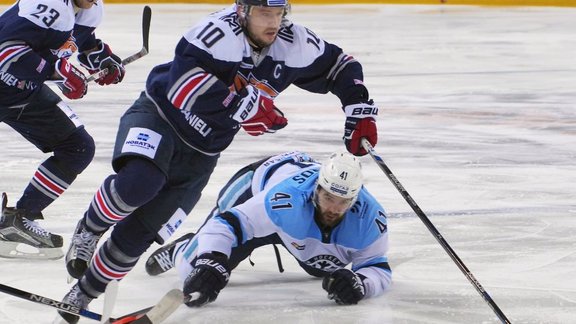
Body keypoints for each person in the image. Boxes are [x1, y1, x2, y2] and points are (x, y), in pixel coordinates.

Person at [58, 0, 378, 322]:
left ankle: (82, 293)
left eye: (279, 14)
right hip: (159, 117)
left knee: (139, 234)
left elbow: (340, 65)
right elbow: (183, 89)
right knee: (140, 183)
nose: (274, 22)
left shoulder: (294, 42)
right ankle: (90, 228)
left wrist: (358, 108)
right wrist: (245, 107)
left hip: (204, 150)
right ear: (243, 11)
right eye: (265, 13)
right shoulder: (218, 32)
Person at [146, 151, 392, 307]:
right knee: (193, 269)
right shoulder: (283, 200)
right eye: (328, 197)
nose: (334, 208)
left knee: (324, 271)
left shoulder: (370, 217)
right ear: (316, 189)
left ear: (355, 198)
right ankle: (183, 249)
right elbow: (226, 224)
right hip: (254, 187)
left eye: (343, 202)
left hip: (293, 225)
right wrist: (211, 258)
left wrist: (362, 284)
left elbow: (377, 268)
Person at [0, 0, 125, 260]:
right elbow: (6, 49)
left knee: (77, 147)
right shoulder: (48, 4)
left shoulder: (89, 8)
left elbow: (81, 40)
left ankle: (17, 221)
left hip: (20, 91)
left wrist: (101, 60)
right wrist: (58, 72)